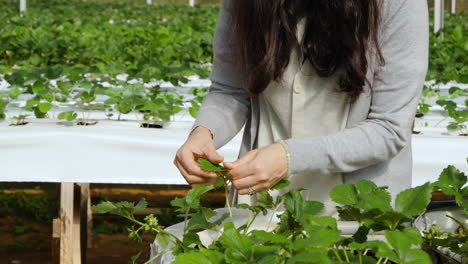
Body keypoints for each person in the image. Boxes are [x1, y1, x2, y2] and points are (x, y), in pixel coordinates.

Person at [174, 0, 428, 215]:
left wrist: (289, 156)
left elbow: (389, 129)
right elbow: (230, 89)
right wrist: (204, 132)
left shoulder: (395, 4)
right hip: (261, 209)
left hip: (356, 217)